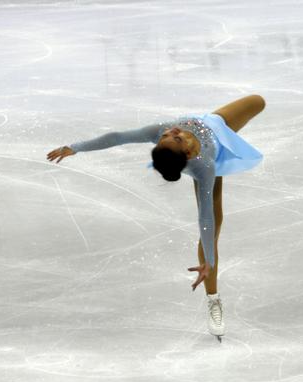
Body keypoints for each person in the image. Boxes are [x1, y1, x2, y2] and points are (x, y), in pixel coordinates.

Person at [46, 95, 266, 340]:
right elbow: (204, 219)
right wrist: (209, 259)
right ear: (187, 153)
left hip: (214, 124)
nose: (171, 131)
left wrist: (75, 147)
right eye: (174, 137)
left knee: (258, 101)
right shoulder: (202, 166)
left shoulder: (159, 132)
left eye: (166, 137)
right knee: (213, 229)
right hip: (212, 159)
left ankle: (210, 271)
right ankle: (213, 299)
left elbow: (117, 137)